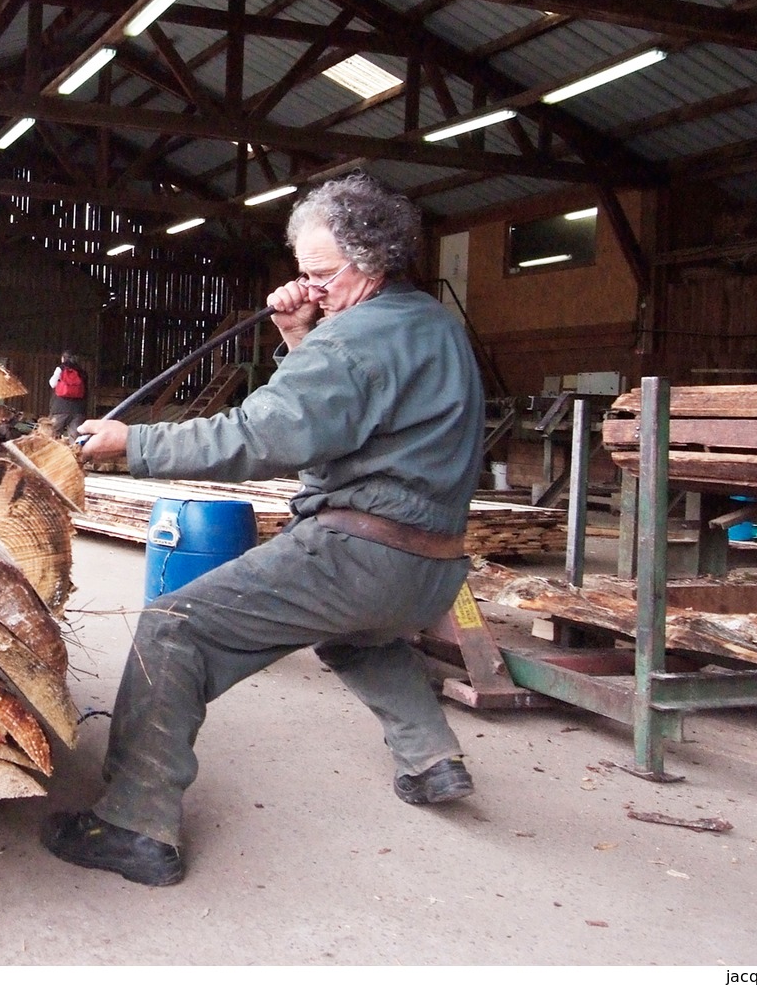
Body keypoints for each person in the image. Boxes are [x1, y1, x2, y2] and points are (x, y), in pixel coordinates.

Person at [41, 172, 485, 887]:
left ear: (369, 263)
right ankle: (430, 761)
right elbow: (348, 410)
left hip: (358, 554)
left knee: (174, 627)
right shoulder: (430, 323)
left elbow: (264, 436)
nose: (308, 287)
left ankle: (132, 823)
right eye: (302, 274)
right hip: (428, 567)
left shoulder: (354, 339)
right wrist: (300, 330)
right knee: (356, 636)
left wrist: (134, 445)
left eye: (320, 274)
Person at [48, 351, 88, 439]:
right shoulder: (82, 372)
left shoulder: (61, 369)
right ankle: (74, 453)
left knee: (51, 438)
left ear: (63, 358)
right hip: (78, 410)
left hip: (60, 409)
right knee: (75, 439)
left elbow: (52, 384)